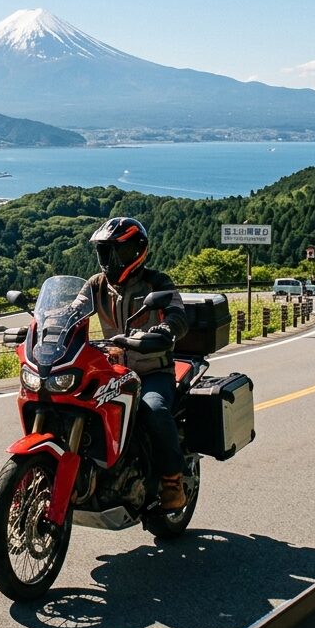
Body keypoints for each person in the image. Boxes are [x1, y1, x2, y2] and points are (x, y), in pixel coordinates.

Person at [81, 216, 190, 511]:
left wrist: (165, 330)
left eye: (119, 251)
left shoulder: (157, 282)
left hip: (152, 371)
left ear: (138, 250)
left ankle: (172, 481)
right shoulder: (97, 285)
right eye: (105, 251)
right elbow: (72, 310)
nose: (111, 259)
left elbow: (178, 313)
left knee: (153, 409)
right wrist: (44, 326)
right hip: (111, 371)